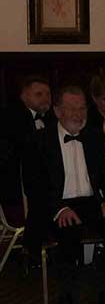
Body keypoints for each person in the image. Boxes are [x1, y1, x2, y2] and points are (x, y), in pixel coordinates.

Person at [22, 85, 105, 304]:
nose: (78, 113)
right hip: (54, 206)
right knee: (68, 231)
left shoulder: (94, 136)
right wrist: (59, 209)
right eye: (71, 108)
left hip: (90, 204)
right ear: (57, 111)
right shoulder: (39, 140)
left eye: (82, 108)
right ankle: (67, 297)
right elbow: (34, 186)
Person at [0, 75, 52, 217]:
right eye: (38, 94)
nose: (45, 98)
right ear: (24, 96)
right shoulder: (13, 117)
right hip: (16, 184)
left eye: (48, 94)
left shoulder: (50, 117)